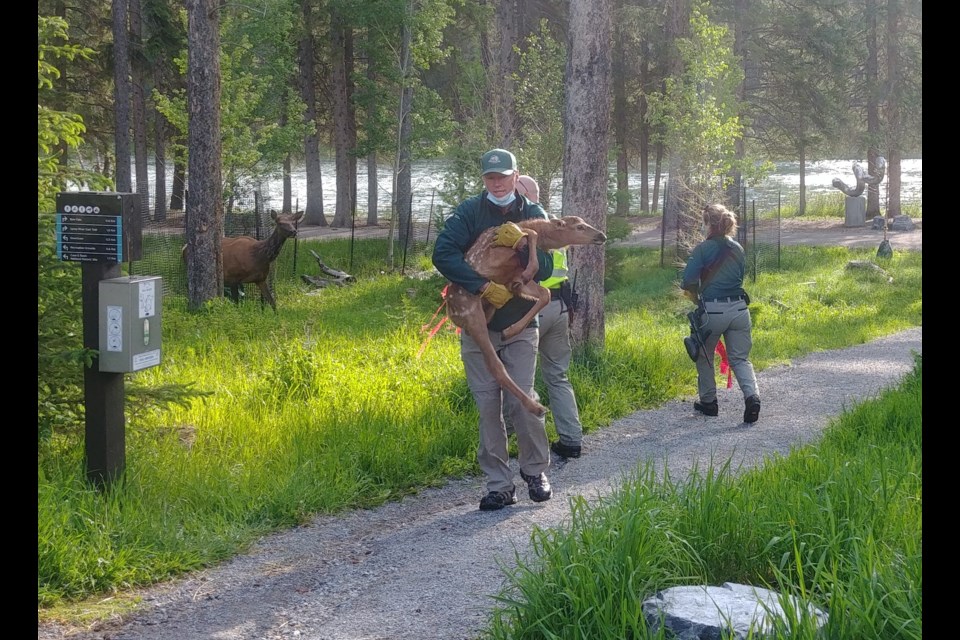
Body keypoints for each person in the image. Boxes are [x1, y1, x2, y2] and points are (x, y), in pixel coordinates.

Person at [432, 149, 555, 511]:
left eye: (503, 176)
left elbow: (545, 268)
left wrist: (521, 247)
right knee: (488, 405)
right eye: (490, 177)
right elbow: (443, 254)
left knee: (522, 400)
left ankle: (535, 471)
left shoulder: (534, 213)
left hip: (519, 326)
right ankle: (500, 485)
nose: (497, 183)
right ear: (483, 179)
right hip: (477, 326)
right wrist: (481, 285)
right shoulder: (470, 212)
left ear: (517, 176)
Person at [515, 175, 585, 459]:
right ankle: (571, 438)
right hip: (560, 308)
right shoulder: (560, 227)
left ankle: (523, 443)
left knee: (519, 379)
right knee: (557, 375)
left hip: (532, 309)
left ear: (525, 194)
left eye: (518, 193)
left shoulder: (533, 230)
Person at [681, 203, 761, 423]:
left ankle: (709, 403)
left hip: (713, 311)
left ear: (707, 223)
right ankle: (752, 397)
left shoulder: (702, 249)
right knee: (740, 359)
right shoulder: (738, 248)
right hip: (739, 309)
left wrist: (696, 297)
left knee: (704, 355)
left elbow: (687, 281)